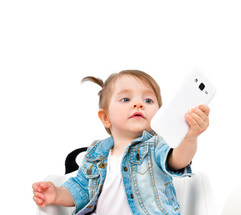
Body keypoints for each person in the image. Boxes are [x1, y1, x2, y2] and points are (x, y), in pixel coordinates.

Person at [32, 70, 210, 215]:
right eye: (126, 99)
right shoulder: (96, 153)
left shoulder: (156, 145)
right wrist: (56, 194)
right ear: (106, 118)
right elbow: (80, 189)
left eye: (148, 100)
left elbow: (178, 160)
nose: (138, 104)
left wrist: (190, 137)